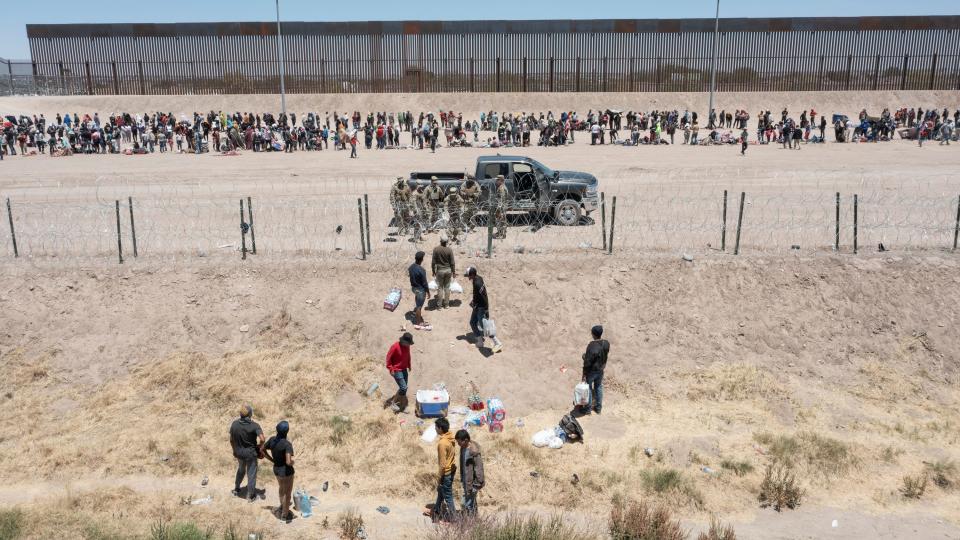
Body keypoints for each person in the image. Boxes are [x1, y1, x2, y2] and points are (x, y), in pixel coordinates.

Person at [229, 405, 265, 502]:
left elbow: (231, 440)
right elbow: (262, 439)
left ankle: (236, 488)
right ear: (250, 414)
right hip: (250, 454)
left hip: (239, 453)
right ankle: (251, 495)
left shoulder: (234, 424)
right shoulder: (255, 426)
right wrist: (259, 447)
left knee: (241, 470)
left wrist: (234, 450)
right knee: (251, 474)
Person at [464, 267, 502, 353]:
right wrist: (474, 301)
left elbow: (484, 296)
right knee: (472, 322)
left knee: (486, 327)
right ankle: (480, 342)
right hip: (476, 306)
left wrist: (486, 310)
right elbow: (478, 294)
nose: (468, 278)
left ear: (473, 274)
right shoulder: (477, 279)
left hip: (481, 308)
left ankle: (497, 343)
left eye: (469, 276)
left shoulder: (478, 282)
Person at [264, 421, 296, 522]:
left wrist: (271, 459)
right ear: (287, 431)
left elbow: (261, 449)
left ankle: (282, 507)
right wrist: (292, 462)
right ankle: (284, 515)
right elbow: (288, 461)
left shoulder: (272, 440)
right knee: (287, 494)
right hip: (286, 473)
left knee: (281, 489)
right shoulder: (287, 444)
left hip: (277, 470)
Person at [430, 418, 457, 522]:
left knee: (448, 496)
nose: (435, 429)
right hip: (451, 470)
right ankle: (436, 512)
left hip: (446, 473)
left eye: (436, 427)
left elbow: (442, 464)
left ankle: (455, 520)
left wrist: (439, 477)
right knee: (441, 492)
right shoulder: (451, 438)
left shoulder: (442, 443)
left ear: (440, 428)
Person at [581, 325, 610, 414]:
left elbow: (588, 362)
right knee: (598, 387)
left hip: (592, 371)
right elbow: (603, 355)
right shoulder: (606, 343)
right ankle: (598, 408)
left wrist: (584, 374)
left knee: (589, 388)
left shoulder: (592, 345)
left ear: (593, 334)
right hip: (601, 370)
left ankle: (587, 409)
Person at [455, 429, 485, 516]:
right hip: (466, 480)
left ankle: (469, 523)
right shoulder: (462, 448)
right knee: (471, 502)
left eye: (459, 442)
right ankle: (474, 520)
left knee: (466, 504)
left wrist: (477, 484)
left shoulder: (474, 452)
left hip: (473, 483)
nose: (458, 444)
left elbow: (479, 468)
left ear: (466, 440)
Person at [385, 332, 414, 411]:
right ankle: (393, 403)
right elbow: (388, 358)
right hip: (396, 369)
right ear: (403, 341)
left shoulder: (407, 346)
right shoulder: (395, 346)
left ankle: (402, 405)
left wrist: (409, 365)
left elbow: (408, 356)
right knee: (403, 387)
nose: (409, 345)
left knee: (404, 389)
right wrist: (391, 369)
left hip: (404, 369)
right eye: (408, 343)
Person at [409, 251, 431, 330]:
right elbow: (425, 283)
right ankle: (418, 323)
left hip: (414, 288)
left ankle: (416, 314)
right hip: (420, 290)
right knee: (419, 306)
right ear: (422, 259)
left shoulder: (411, 267)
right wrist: (428, 292)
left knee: (417, 299)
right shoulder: (422, 270)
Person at [432, 236, 456, 309]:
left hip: (440, 271)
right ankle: (446, 304)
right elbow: (452, 262)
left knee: (440, 288)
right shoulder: (449, 250)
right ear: (447, 242)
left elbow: (433, 262)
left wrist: (433, 271)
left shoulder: (436, 249)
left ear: (440, 241)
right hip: (448, 270)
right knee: (447, 287)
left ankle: (439, 305)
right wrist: (453, 272)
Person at [494, 175, 508, 239]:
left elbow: (501, 199)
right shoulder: (501, 187)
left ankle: (502, 234)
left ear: (501, 180)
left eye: (497, 180)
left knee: (501, 220)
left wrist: (499, 209)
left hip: (501, 206)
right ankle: (500, 232)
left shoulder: (501, 188)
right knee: (501, 220)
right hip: (502, 206)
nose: (496, 181)